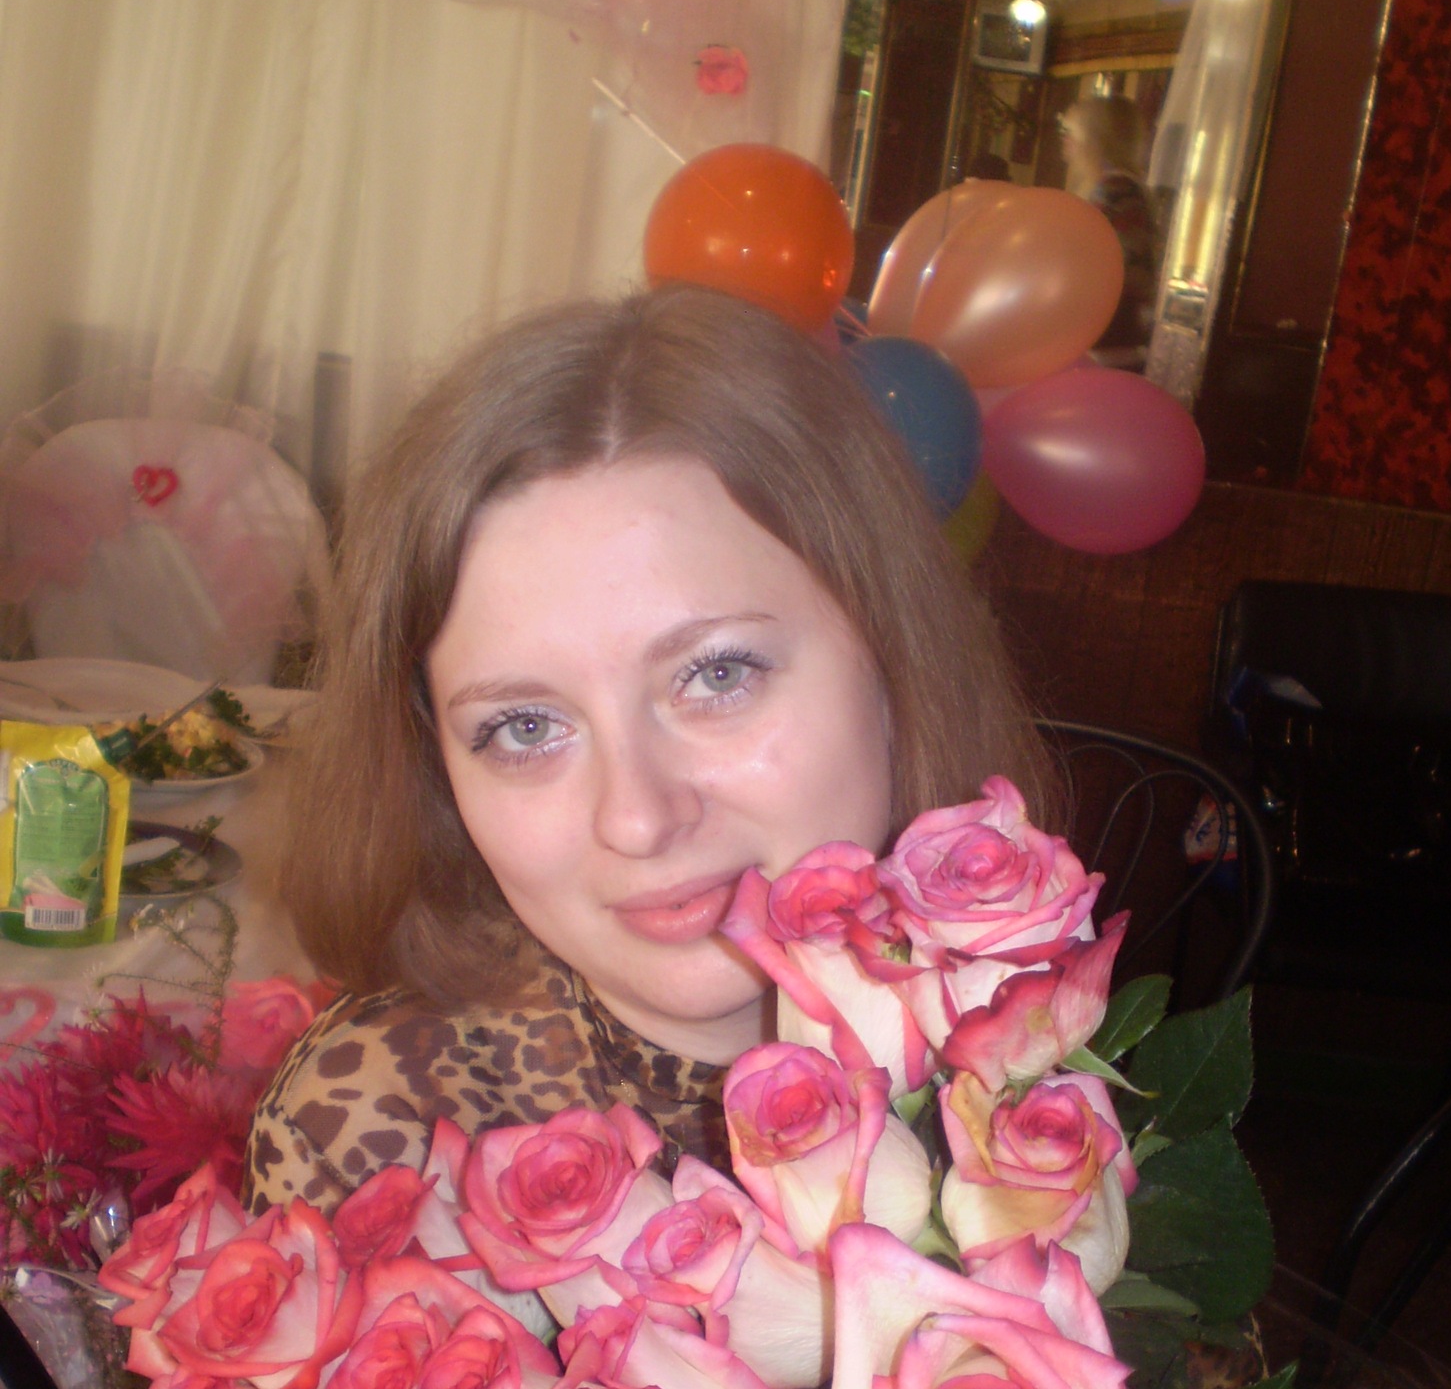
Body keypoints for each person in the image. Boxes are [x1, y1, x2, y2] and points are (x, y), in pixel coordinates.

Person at [244, 284, 1055, 1215]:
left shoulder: (1024, 1044)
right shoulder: (376, 1154)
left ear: (890, 651)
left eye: (716, 675)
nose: (636, 818)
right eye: (525, 727)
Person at [1058, 94, 1159, 365]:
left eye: (1071, 132)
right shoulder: (1119, 186)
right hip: (1111, 331)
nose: (1065, 141)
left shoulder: (1115, 189)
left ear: (1094, 139)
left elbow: (1109, 268)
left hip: (1107, 337)